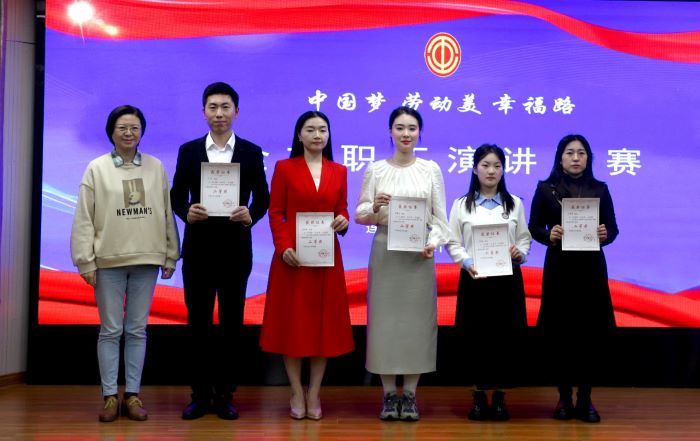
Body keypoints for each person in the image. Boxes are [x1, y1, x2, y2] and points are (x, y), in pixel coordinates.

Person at [71, 105, 180, 422]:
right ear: (111, 132)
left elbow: (166, 213)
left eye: (134, 128)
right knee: (110, 331)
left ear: (142, 132)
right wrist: (85, 261)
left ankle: (132, 396)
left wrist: (170, 253)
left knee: (136, 330)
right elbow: (84, 218)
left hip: (147, 259)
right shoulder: (97, 168)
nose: (129, 133)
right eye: (122, 127)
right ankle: (109, 397)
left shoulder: (156, 167)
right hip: (108, 261)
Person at [170, 82, 270, 420]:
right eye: (212, 107)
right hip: (198, 249)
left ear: (236, 111)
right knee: (197, 324)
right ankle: (199, 395)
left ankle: (225, 394)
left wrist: (250, 215)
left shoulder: (251, 152)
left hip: (235, 250)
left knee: (231, 324)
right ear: (204, 112)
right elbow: (176, 195)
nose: (219, 114)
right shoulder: (189, 151)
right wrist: (187, 211)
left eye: (225, 107)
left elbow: (264, 197)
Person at [355, 106, 451, 421]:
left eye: (412, 128)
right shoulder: (376, 170)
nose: (406, 134)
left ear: (419, 133)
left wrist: (432, 243)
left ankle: (409, 395)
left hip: (418, 255)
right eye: (400, 127)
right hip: (385, 252)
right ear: (390, 132)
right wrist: (374, 206)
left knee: (417, 325)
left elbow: (441, 220)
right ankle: (387, 395)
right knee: (385, 324)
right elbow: (360, 215)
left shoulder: (430, 169)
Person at [260, 111, 354, 420]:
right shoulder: (285, 168)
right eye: (310, 129)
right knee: (293, 325)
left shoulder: (339, 171)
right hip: (293, 259)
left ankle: (314, 391)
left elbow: (342, 210)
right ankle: (296, 391)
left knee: (322, 327)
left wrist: (343, 221)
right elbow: (276, 212)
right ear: (299, 135)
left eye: (322, 130)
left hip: (326, 259)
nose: (317, 135)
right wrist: (283, 246)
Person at [528, 134, 619, 423]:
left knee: (589, 334)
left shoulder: (600, 189)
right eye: (570, 153)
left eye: (581, 153)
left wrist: (605, 234)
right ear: (560, 158)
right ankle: (564, 397)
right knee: (561, 333)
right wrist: (549, 234)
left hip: (591, 269)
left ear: (588, 158)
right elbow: (533, 227)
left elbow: (613, 229)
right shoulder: (546, 189)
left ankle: (586, 398)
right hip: (560, 268)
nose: (576, 158)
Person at [446, 144, 532, 421]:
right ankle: (478, 396)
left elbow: (524, 238)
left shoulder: (514, 203)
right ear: (474, 169)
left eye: (496, 165)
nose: (491, 171)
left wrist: (520, 253)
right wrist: (466, 261)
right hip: (474, 280)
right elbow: (452, 241)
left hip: (507, 281)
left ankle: (500, 398)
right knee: (476, 339)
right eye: (485, 165)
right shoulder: (461, 204)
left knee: (505, 339)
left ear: (503, 170)